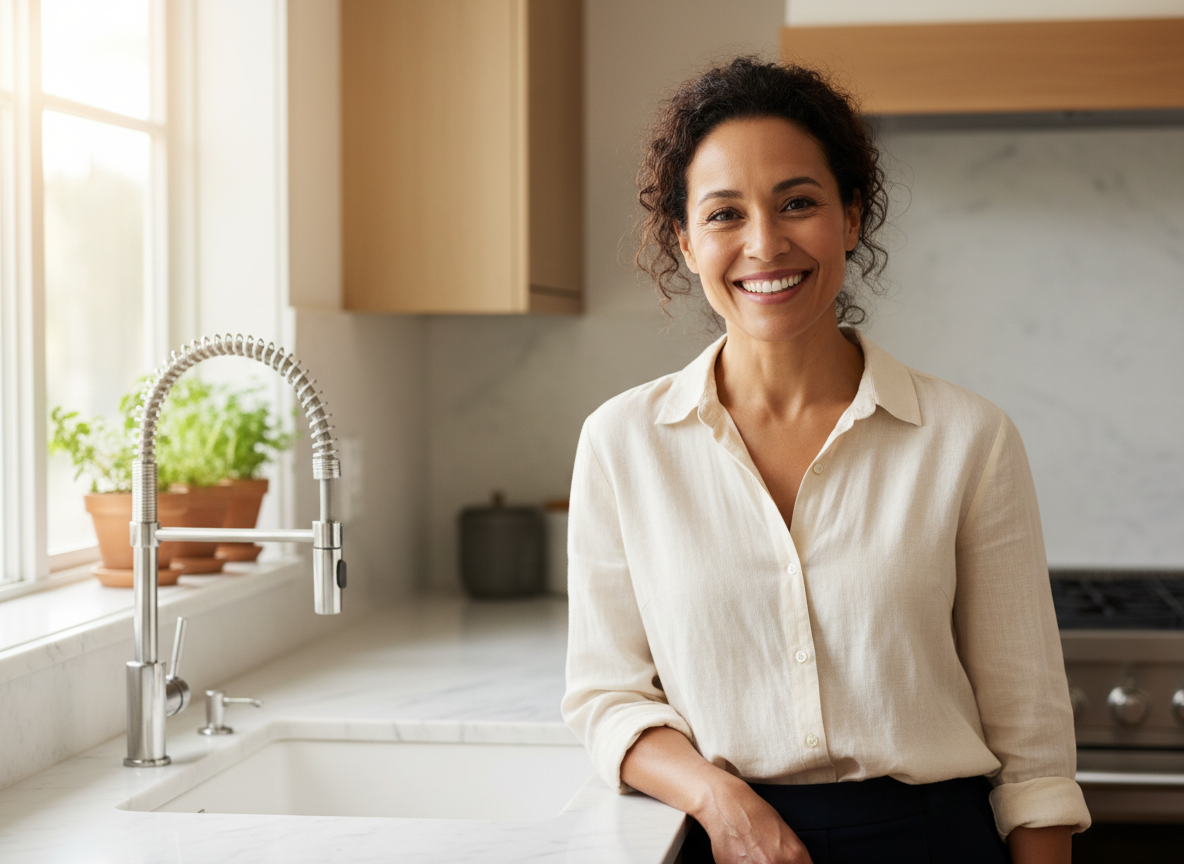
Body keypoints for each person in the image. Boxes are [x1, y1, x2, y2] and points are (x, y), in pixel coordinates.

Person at [561, 57, 1090, 864]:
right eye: (725, 213)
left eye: (797, 203)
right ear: (685, 241)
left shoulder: (968, 438)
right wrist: (720, 801)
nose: (764, 244)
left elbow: (1034, 749)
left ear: (850, 217)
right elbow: (608, 697)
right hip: (725, 843)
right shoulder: (621, 442)